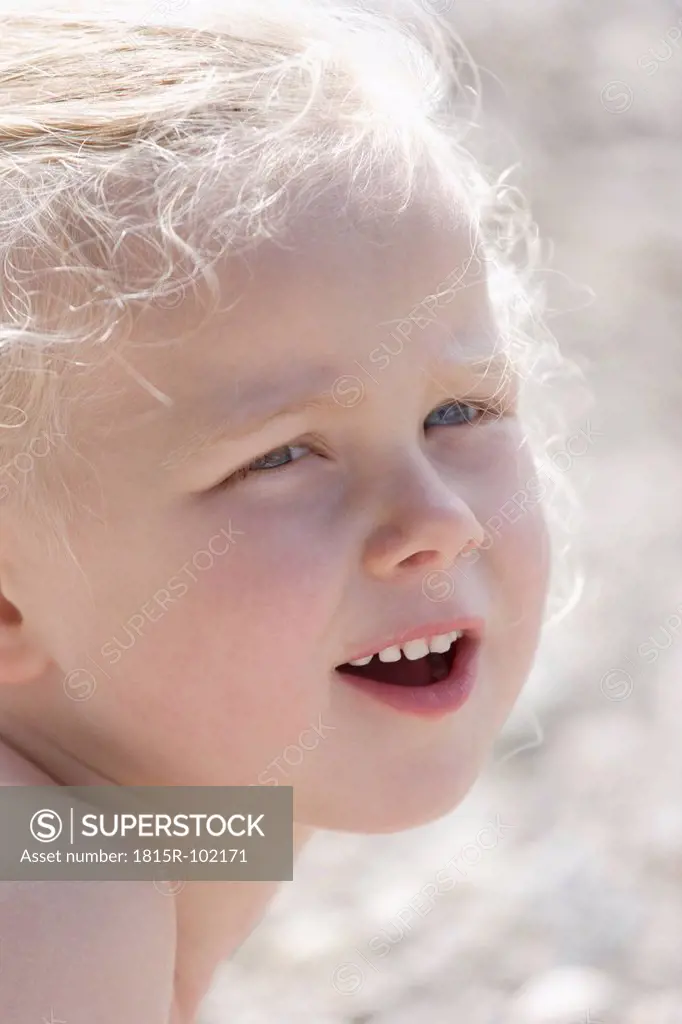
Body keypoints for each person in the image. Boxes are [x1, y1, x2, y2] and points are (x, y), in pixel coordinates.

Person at [0, 0, 555, 1019]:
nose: (436, 521)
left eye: (456, 411)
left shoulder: (146, 826)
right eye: (283, 456)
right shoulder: (49, 906)